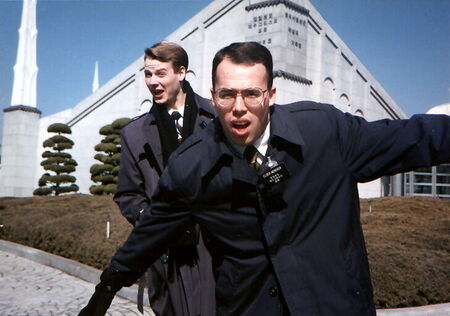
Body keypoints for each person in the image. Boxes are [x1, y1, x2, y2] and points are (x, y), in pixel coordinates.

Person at [79, 42, 450, 316]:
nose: (238, 107)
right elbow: (151, 230)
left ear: (271, 95)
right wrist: (109, 284)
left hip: (331, 304)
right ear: (213, 95)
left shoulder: (324, 132)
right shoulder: (191, 165)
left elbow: (412, 137)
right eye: (227, 95)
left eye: (251, 94)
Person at [112, 42, 215, 316]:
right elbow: (127, 194)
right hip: (166, 255)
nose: (153, 82)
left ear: (181, 72)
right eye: (148, 74)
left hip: (215, 247)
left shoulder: (217, 118)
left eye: (160, 73)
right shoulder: (134, 134)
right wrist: (152, 221)